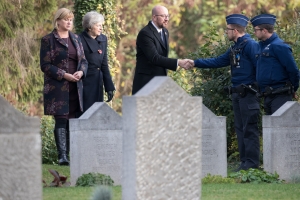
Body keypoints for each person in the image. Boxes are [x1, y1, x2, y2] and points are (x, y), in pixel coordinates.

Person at [188, 14, 260, 171]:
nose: (225, 32)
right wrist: (195, 63)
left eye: (227, 30)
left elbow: (260, 67)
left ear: (234, 30)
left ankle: (252, 165)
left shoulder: (250, 45)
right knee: (240, 129)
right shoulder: (235, 47)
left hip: (248, 94)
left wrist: (256, 87)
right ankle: (244, 164)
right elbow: (217, 61)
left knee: (250, 129)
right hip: (237, 94)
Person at [40, 8, 88, 165]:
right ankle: (63, 156)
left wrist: (81, 72)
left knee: (72, 120)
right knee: (61, 119)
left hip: (76, 86)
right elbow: (45, 65)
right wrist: (64, 75)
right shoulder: (48, 40)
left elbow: (84, 61)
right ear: (58, 21)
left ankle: (72, 154)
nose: (69, 22)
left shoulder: (76, 38)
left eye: (71, 20)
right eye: (66, 19)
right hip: (58, 87)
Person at [132, 5, 191, 95]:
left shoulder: (165, 32)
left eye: (167, 16)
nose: (167, 19)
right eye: (163, 16)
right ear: (154, 17)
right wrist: (179, 62)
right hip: (146, 84)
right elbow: (154, 58)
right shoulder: (145, 33)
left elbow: (162, 55)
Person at [250, 14, 299, 115]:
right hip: (268, 95)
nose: (254, 33)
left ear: (264, 30)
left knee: (279, 128)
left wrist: (293, 89)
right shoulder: (261, 46)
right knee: (270, 129)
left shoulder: (279, 46)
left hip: (280, 95)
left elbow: (293, 70)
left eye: (256, 30)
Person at [79, 11, 115, 112]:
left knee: (97, 113)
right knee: (85, 113)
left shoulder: (103, 39)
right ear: (90, 27)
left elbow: (104, 64)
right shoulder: (79, 39)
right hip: (85, 82)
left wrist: (109, 86)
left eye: (101, 25)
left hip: (98, 81)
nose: (101, 28)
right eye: (98, 25)